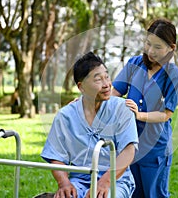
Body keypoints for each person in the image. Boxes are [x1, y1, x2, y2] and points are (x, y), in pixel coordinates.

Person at [41, 52, 138, 198]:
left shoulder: (122, 109)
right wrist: (64, 183)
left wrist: (104, 182)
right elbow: (56, 155)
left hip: (115, 181)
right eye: (98, 79)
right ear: (81, 87)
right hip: (80, 180)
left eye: (107, 77)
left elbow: (129, 151)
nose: (106, 85)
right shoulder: (65, 115)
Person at [112, 18, 178, 198]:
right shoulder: (134, 63)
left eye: (158, 47)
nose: (150, 51)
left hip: (156, 148)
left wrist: (139, 115)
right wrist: (88, 100)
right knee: (132, 193)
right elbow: (114, 93)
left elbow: (166, 114)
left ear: (171, 48)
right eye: (148, 43)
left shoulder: (174, 76)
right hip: (129, 144)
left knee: (154, 194)